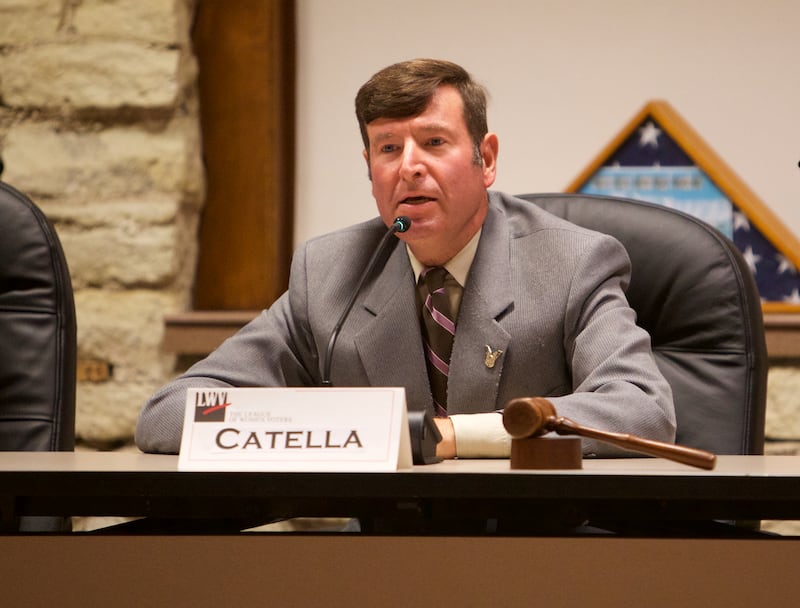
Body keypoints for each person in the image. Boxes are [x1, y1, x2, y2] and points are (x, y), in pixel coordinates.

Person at [136, 58, 675, 457]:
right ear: (369, 166)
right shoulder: (330, 273)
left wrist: (452, 437)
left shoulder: (572, 262)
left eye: (434, 143)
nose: (408, 167)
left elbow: (642, 411)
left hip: (529, 546)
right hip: (381, 548)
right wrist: (321, 427)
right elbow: (169, 414)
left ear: (485, 159)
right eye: (388, 148)